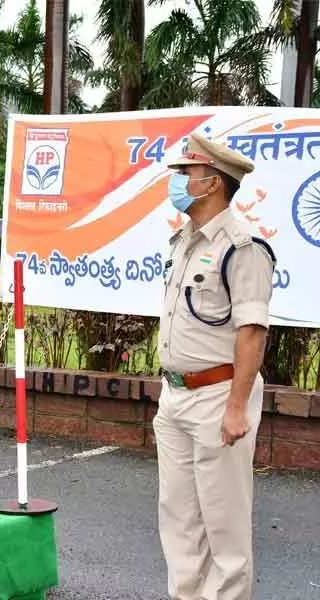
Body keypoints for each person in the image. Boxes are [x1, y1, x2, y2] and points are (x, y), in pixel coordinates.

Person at [155, 133, 276, 600]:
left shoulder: (242, 247)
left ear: (212, 183)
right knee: (180, 518)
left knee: (223, 522)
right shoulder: (182, 242)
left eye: (185, 173)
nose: (178, 182)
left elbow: (252, 332)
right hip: (176, 397)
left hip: (217, 398)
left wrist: (236, 407)